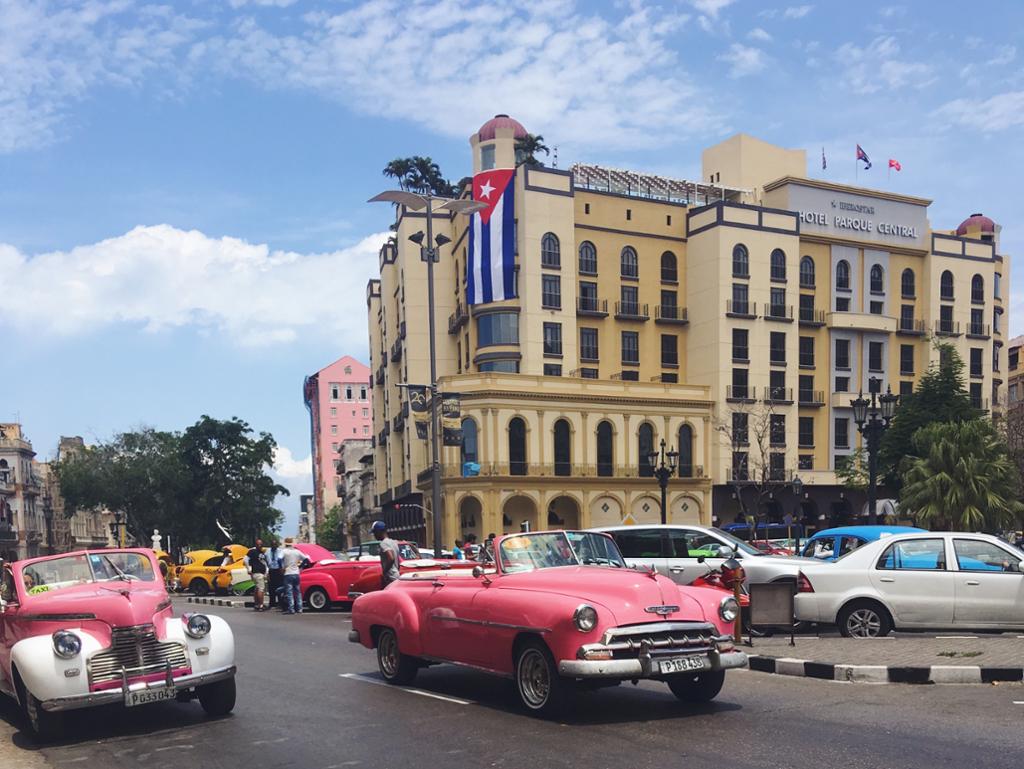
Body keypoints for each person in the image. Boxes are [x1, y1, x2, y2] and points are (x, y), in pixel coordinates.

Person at [280, 538, 309, 614]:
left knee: (289, 592)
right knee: (298, 591)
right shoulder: (297, 551)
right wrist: (300, 567)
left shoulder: (284, 551)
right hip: (296, 573)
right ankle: (299, 608)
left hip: (288, 573)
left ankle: (291, 609)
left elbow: (279, 559)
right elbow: (306, 559)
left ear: (285, 544)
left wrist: (282, 567)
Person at [372, 521, 400, 588]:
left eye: (374, 533)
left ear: (379, 532)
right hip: (396, 575)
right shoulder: (393, 542)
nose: (374, 535)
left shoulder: (384, 543)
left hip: (390, 577)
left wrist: (385, 571)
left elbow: (391, 558)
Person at [244, 538, 268, 611]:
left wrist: (266, 572)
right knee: (261, 589)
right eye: (258, 544)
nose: (260, 545)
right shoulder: (252, 551)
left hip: (261, 573)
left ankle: (257, 604)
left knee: (257, 589)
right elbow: (245, 559)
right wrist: (248, 569)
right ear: (256, 544)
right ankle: (260, 605)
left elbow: (264, 563)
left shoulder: (261, 552)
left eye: (261, 544)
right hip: (257, 573)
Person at [265, 539, 284, 609]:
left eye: (275, 545)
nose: (274, 546)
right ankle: (272, 603)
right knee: (271, 588)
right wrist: (267, 572)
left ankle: (280, 603)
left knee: (279, 587)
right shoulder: (267, 551)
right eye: (273, 545)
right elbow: (265, 562)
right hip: (271, 570)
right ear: (271, 545)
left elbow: (282, 561)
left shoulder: (280, 551)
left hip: (278, 570)